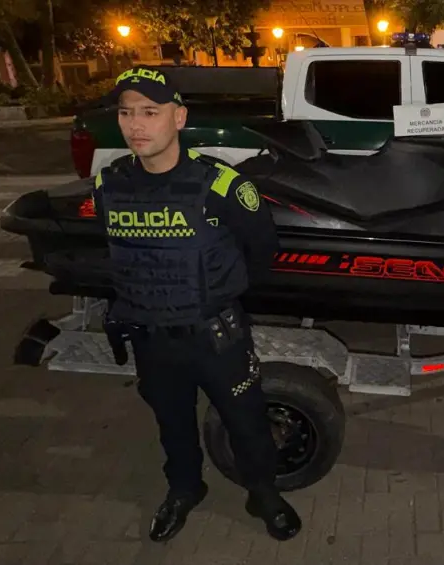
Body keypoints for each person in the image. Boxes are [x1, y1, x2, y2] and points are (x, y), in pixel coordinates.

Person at [90, 66, 302, 542]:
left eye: (150, 111)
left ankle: (263, 494)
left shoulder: (223, 187)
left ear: (179, 118)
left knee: (247, 424)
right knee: (173, 426)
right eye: (126, 113)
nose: (135, 125)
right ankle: (184, 489)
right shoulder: (109, 185)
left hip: (216, 338)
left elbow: (262, 250)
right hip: (151, 337)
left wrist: (223, 295)